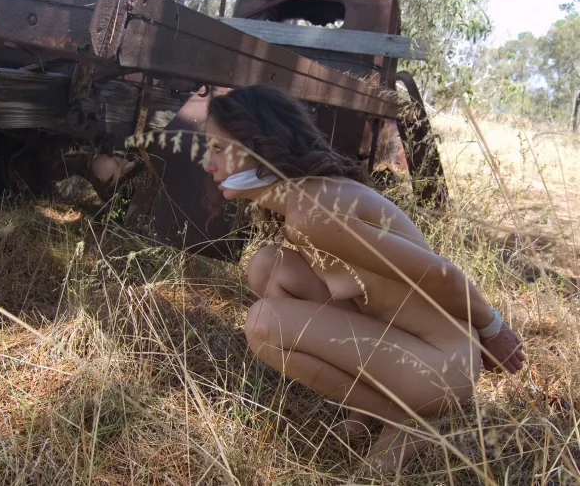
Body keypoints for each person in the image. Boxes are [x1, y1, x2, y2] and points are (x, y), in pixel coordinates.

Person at [201, 84, 525, 472]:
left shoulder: (314, 213)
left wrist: (493, 329)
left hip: (440, 366)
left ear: (260, 146)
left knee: (263, 324)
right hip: (407, 342)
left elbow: (443, 274)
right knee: (267, 265)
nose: (208, 164)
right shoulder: (305, 204)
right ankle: (371, 407)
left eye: (219, 149)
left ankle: (410, 423)